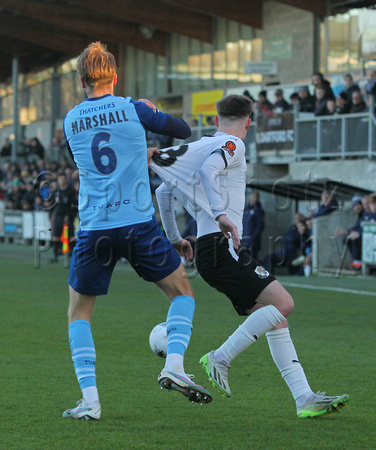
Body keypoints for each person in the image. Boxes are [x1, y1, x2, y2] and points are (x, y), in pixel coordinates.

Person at [150, 94, 350, 418]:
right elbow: (209, 173)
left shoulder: (200, 147)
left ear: (216, 120)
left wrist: (175, 238)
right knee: (283, 303)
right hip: (219, 245)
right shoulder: (234, 144)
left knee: (277, 316)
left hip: (209, 249)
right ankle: (220, 357)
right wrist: (219, 215)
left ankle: (304, 398)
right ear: (249, 122)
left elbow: (163, 191)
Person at [62, 42, 211, 421]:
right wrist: (153, 112)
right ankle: (174, 364)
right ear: (114, 76)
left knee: (79, 313)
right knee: (182, 293)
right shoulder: (133, 108)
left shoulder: (70, 120)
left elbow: (94, 157)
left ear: (82, 81)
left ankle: (91, 401)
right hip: (138, 223)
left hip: (95, 227)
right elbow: (182, 130)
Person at [49, 172, 77, 262]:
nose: (62, 181)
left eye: (63, 179)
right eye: (60, 179)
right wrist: (51, 213)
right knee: (56, 234)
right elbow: (52, 203)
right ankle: (55, 255)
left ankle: (72, 255)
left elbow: (74, 205)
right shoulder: (56, 191)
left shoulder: (71, 191)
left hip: (68, 215)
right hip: (58, 215)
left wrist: (70, 215)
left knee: (70, 235)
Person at [242, 191, 265, 261]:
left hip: (253, 242)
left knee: (252, 261)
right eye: (252, 197)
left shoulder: (259, 210)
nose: (253, 198)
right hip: (243, 241)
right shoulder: (246, 209)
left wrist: (252, 238)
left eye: (255, 197)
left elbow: (260, 226)